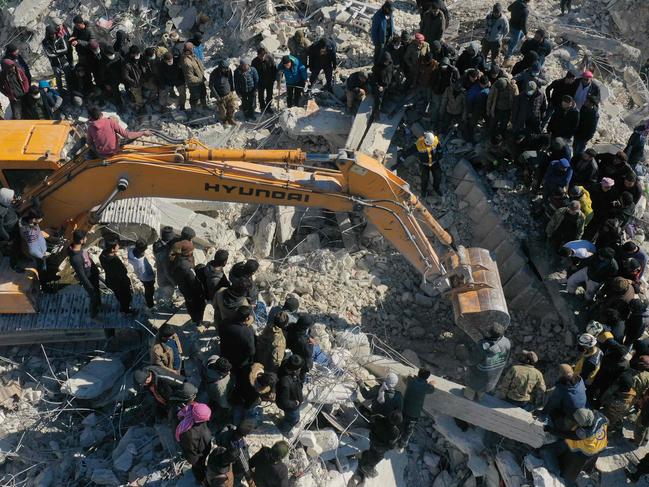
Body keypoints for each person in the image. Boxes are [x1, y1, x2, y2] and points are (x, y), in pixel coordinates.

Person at [541, 408, 608, 485]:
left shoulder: (584, 432)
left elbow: (567, 435)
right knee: (591, 461)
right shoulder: (600, 416)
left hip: (589, 450)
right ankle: (588, 469)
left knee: (574, 465)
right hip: (601, 443)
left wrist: (549, 429)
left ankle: (568, 479)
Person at [462, 323, 511, 401]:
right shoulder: (506, 342)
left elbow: (471, 361)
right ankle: (478, 399)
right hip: (492, 377)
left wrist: (466, 357)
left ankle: (468, 402)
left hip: (477, 378)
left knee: (469, 394)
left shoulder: (483, 346)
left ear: (489, 334)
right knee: (482, 391)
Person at [354, 410, 402, 480]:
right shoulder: (395, 432)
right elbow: (391, 446)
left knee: (371, 451)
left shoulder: (379, 417)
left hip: (372, 439)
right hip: (380, 448)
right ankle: (367, 467)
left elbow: (371, 420)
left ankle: (364, 458)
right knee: (377, 458)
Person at [169, 238, 206, 326]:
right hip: (191, 291)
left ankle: (194, 318)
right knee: (197, 305)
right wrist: (201, 292)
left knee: (189, 303)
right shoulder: (188, 267)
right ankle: (198, 320)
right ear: (188, 252)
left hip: (183, 287)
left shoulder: (177, 258)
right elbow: (194, 282)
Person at [542, 364, 587, 432]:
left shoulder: (562, 389)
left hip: (572, 416)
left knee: (551, 406)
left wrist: (543, 412)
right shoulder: (580, 380)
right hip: (582, 409)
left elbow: (551, 404)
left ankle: (556, 428)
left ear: (561, 374)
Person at [67, 229, 101, 318]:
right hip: (88, 279)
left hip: (93, 275)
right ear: (81, 240)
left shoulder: (77, 248)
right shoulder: (76, 258)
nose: (86, 239)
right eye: (85, 238)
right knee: (93, 296)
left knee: (97, 293)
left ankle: (99, 304)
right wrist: (90, 287)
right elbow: (82, 276)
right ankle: (93, 314)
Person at [176, 402, 212, 485]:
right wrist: (196, 463)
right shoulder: (189, 435)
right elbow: (190, 454)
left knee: (200, 465)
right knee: (198, 468)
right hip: (196, 456)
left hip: (200, 449)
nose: (209, 418)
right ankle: (200, 479)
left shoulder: (193, 411)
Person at [398, 131, 442, 197]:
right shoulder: (418, 145)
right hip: (424, 164)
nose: (430, 146)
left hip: (434, 162)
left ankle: (436, 188)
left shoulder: (435, 140)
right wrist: (400, 161)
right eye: (428, 145)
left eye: (431, 145)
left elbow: (439, 148)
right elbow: (408, 152)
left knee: (438, 176)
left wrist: (440, 154)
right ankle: (423, 191)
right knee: (424, 178)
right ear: (425, 141)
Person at [399, 369, 435, 448]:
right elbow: (432, 390)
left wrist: (410, 375)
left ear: (418, 374)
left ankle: (396, 439)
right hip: (414, 414)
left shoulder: (411, 381)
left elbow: (405, 378)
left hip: (404, 408)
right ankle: (401, 445)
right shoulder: (426, 387)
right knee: (408, 431)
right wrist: (431, 384)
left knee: (400, 425)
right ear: (427, 377)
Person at [99, 236, 134, 314]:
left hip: (110, 280)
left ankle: (124, 307)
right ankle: (126, 310)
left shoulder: (102, 255)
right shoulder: (114, 261)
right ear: (112, 249)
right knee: (125, 297)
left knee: (119, 295)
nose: (118, 246)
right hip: (120, 283)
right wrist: (127, 282)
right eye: (117, 245)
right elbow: (123, 272)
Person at [214, 420, 255, 486]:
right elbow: (245, 466)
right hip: (233, 468)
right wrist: (250, 480)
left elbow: (218, 438)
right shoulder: (240, 448)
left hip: (222, 462)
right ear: (245, 434)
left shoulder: (226, 433)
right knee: (235, 480)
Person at [220, 306, 256, 375]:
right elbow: (251, 352)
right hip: (239, 360)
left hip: (225, 353)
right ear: (247, 318)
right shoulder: (247, 332)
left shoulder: (225, 322)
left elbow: (220, 333)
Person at [0, 45, 30, 119]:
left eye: (13, 66)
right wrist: (8, 95)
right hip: (14, 98)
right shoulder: (2, 75)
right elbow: (0, 87)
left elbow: (25, 79)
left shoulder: (18, 70)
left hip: (23, 94)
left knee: (27, 111)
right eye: (11, 67)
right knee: (17, 115)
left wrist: (26, 90)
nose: (13, 68)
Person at [276, 354, 304, 433]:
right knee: (293, 419)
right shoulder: (285, 383)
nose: (300, 369)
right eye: (299, 368)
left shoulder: (286, 364)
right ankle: (283, 430)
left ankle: (285, 421)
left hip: (294, 397)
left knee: (291, 417)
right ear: (294, 369)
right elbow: (284, 402)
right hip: (291, 406)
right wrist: (294, 403)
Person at [203, 355, 234, 422]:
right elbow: (223, 403)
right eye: (226, 372)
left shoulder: (214, 358)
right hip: (216, 395)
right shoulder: (219, 386)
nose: (228, 372)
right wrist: (230, 406)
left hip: (208, 386)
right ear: (219, 372)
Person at [487, 73, 518, 137]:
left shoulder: (513, 87)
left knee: (503, 125)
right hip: (496, 108)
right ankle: (492, 136)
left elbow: (516, 99)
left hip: (507, 110)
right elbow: (490, 98)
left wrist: (514, 113)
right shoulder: (496, 85)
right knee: (493, 123)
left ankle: (501, 137)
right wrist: (488, 109)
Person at [180, 42, 208, 113]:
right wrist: (200, 79)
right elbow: (190, 77)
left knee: (203, 93)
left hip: (200, 79)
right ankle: (193, 111)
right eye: (193, 48)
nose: (194, 49)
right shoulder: (186, 62)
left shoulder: (192, 56)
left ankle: (204, 106)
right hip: (194, 83)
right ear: (189, 50)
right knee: (194, 97)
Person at [127, 239, 155, 309]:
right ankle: (150, 305)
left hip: (139, 274)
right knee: (149, 290)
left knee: (147, 288)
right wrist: (153, 277)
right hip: (146, 278)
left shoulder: (130, 251)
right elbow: (148, 276)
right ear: (143, 250)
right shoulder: (142, 263)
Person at [42, 25, 71, 92]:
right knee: (58, 78)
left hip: (63, 61)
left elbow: (65, 49)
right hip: (55, 63)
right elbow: (49, 54)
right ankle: (61, 91)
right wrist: (59, 53)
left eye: (54, 34)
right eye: (52, 34)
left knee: (68, 75)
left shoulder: (60, 38)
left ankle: (70, 89)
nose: (54, 35)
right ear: (48, 34)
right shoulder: (45, 42)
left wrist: (56, 51)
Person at [286, 315, 314, 382]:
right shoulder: (302, 340)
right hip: (300, 359)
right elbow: (309, 354)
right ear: (305, 327)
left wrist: (308, 337)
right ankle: (300, 382)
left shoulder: (291, 327)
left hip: (293, 350)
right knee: (307, 365)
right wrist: (311, 343)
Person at [209, 60, 238, 125]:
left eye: (227, 68)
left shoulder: (228, 70)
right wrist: (217, 97)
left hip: (228, 93)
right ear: (221, 68)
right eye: (225, 68)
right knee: (223, 111)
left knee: (232, 107)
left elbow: (230, 79)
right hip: (220, 95)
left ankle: (231, 118)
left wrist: (232, 89)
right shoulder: (214, 73)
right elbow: (211, 86)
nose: (226, 70)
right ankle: (225, 120)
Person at [251, 47, 277, 114]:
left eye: (263, 55)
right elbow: (253, 73)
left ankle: (268, 107)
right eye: (260, 56)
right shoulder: (254, 62)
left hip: (269, 81)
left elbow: (274, 69)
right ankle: (262, 107)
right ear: (258, 55)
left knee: (269, 95)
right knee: (260, 96)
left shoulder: (270, 59)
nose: (262, 57)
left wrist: (273, 79)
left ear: (265, 54)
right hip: (260, 82)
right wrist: (255, 82)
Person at [370, 52, 395, 117]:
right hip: (380, 86)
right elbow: (374, 79)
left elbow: (391, 71)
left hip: (387, 84)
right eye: (385, 61)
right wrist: (378, 86)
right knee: (379, 99)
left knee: (386, 96)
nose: (386, 63)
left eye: (388, 61)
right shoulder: (377, 68)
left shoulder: (390, 63)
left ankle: (384, 106)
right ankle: (377, 112)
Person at [121, 45, 145, 112]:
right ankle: (139, 108)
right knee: (138, 96)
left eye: (138, 54)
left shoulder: (139, 56)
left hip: (141, 79)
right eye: (136, 54)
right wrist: (133, 82)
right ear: (132, 54)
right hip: (134, 83)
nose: (138, 56)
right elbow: (125, 76)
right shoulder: (126, 63)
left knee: (138, 93)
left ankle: (133, 98)